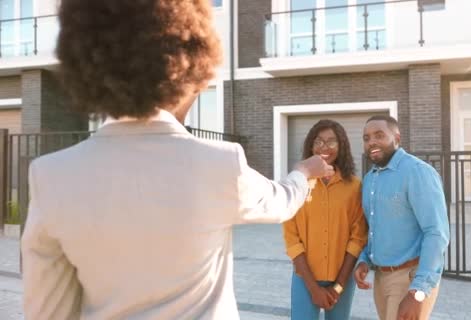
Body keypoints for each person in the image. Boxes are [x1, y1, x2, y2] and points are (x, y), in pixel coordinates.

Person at [21, 1, 334, 319]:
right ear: (187, 69)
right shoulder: (220, 163)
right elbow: (281, 202)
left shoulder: (51, 176)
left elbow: (47, 311)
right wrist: (304, 170)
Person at [353, 115, 449, 320]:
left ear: (397, 138)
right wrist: (364, 260)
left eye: (379, 135)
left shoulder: (418, 172)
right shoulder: (370, 178)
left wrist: (418, 292)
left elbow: (436, 233)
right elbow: (374, 228)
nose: (372, 142)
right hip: (381, 278)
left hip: (409, 279)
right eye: (366, 138)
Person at [282, 120, 368, 320]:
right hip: (305, 278)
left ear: (342, 146)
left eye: (331, 142)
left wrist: (338, 286)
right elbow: (292, 239)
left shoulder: (354, 187)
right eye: (318, 141)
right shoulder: (298, 183)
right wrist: (313, 289)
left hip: (343, 279)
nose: (324, 147)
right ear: (311, 146)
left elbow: (357, 239)